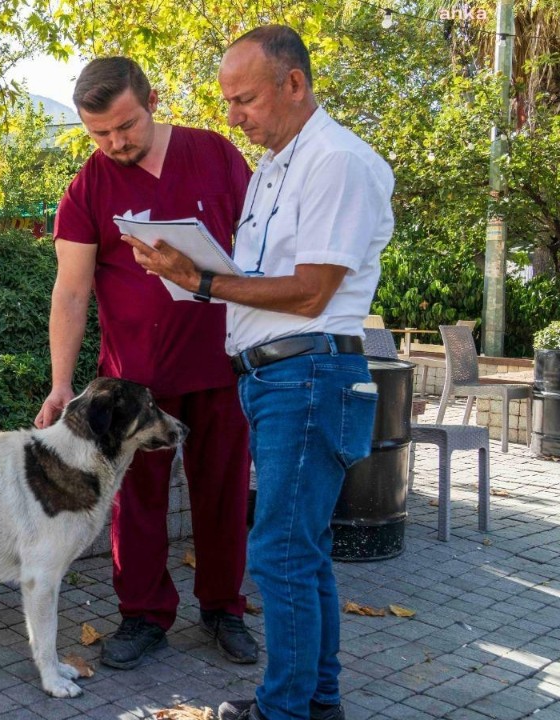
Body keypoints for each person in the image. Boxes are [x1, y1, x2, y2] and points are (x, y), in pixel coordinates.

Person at [123, 26, 394, 720]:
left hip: (308, 378)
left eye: (244, 99)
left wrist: (202, 281)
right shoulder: (277, 166)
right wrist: (195, 271)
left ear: (294, 85)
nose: (234, 116)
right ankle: (315, 705)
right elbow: (268, 277)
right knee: (300, 555)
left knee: (276, 555)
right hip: (278, 379)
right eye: (227, 102)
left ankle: (282, 711)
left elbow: (310, 291)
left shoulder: (334, 161)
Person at [34, 57, 257, 671]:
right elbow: (71, 293)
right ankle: (142, 616)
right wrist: (61, 384)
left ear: (151, 99)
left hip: (221, 364)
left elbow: (261, 246)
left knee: (223, 493)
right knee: (134, 503)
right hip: (133, 385)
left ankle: (224, 610)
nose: (115, 143)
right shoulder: (88, 187)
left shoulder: (215, 154)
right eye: (99, 134)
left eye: (125, 126)